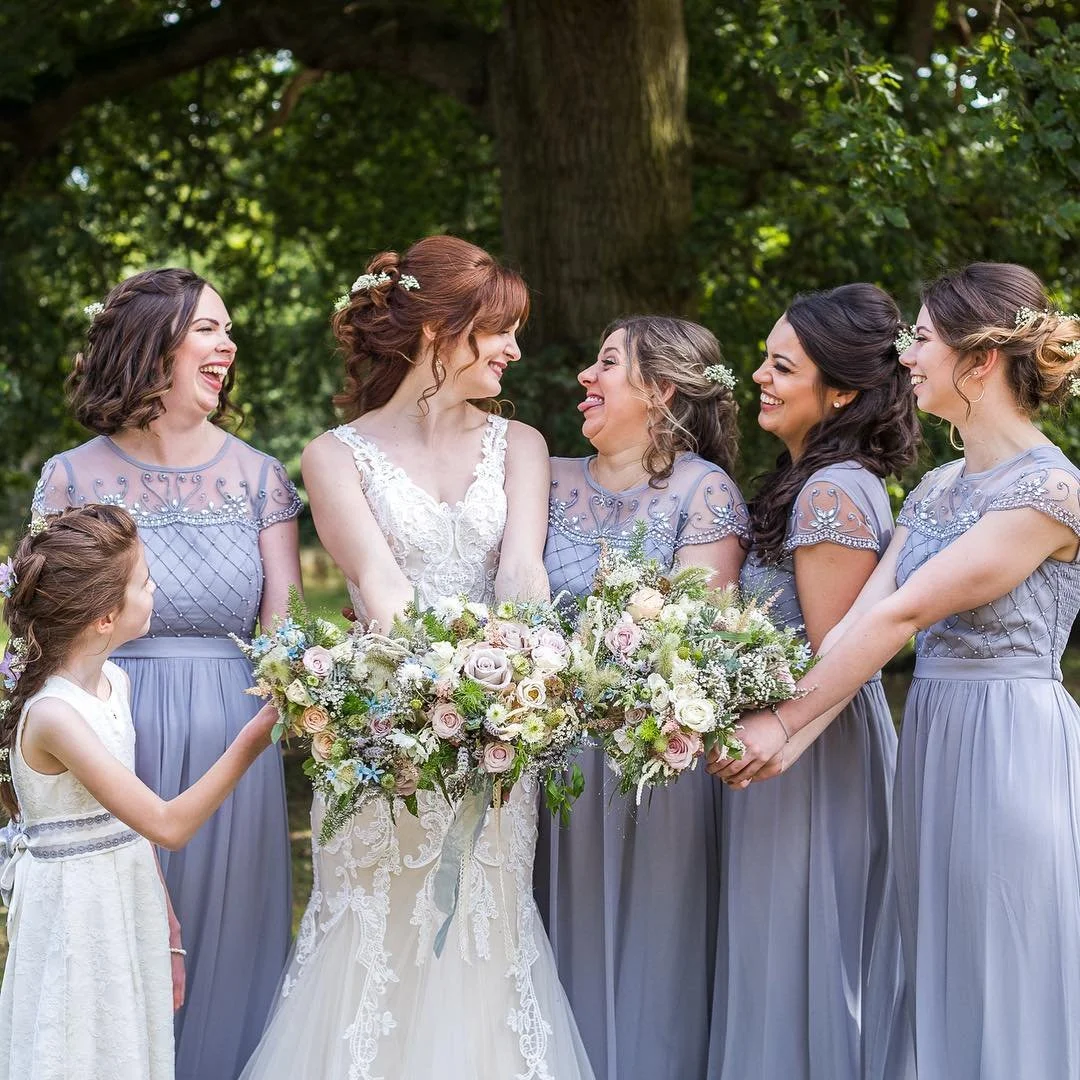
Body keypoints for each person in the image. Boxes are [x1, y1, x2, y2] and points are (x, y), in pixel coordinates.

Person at [713, 262, 1080, 1078]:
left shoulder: (1051, 490)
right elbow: (851, 632)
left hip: (1011, 748)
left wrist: (781, 722)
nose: (905, 357)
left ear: (979, 362)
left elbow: (901, 615)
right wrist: (785, 743)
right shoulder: (938, 489)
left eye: (921, 339)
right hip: (936, 742)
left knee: (1002, 968)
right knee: (931, 972)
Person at [239, 236, 594, 1080]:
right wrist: (452, 683)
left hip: (502, 734)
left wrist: (518, 682)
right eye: (498, 330)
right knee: (376, 945)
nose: (513, 349)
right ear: (440, 329)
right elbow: (380, 587)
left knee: (484, 935)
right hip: (385, 738)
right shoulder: (334, 456)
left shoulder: (523, 445)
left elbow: (521, 571)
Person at [31, 269, 302, 1080]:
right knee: (127, 960)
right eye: (211, 330)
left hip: (236, 748)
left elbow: (282, 638)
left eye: (228, 330)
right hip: (106, 733)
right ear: (156, 346)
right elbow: (47, 631)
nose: (230, 346)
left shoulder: (260, 477)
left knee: (229, 965)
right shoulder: (72, 477)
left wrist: (280, 712)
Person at [705, 284, 918, 1079]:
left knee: (804, 954)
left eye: (780, 365)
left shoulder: (834, 491)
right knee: (774, 954)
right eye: (764, 358)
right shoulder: (810, 479)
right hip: (783, 747)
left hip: (814, 758)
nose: (759, 375)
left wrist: (777, 729)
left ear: (842, 392)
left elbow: (839, 658)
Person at [536, 315, 749, 1080]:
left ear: (659, 391)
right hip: (541, 755)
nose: (586, 379)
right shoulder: (546, 476)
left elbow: (701, 643)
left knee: (653, 957)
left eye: (606, 364)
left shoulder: (705, 492)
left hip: (651, 766)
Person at [0, 505, 278, 1080]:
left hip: (126, 898)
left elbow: (128, 824)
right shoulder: (54, 714)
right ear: (105, 617)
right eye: (145, 583)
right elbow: (167, 824)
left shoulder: (114, 683)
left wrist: (169, 928)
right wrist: (253, 740)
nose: (155, 590)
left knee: (130, 1046)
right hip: (75, 912)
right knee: (78, 1046)